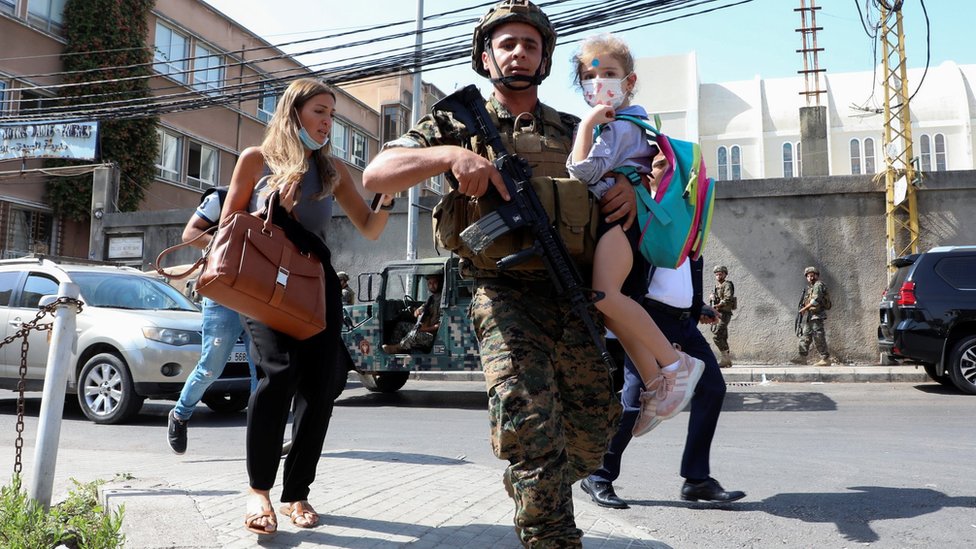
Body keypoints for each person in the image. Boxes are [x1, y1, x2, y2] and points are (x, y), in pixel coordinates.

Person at [363, 2, 633, 546]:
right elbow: (378, 171)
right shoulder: (453, 122)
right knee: (530, 425)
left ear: (545, 57)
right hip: (503, 293)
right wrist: (449, 158)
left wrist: (626, 187)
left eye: (530, 45)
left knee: (595, 425)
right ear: (486, 57)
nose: (518, 53)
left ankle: (535, 481)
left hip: (572, 292)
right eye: (506, 44)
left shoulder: (573, 128)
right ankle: (550, 532)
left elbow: (617, 187)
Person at [222, 77, 392, 536]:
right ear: (294, 111)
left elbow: (370, 227)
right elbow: (228, 225)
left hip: (314, 285)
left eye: (332, 114)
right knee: (278, 376)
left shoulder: (332, 169)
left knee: (321, 389)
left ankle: (297, 492)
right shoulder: (257, 160)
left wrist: (390, 193)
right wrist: (271, 209)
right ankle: (259, 490)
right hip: (263, 285)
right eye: (320, 111)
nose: (327, 122)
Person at [581, 150, 745, 509]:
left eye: (671, 165)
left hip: (684, 321)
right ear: (645, 173)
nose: (666, 170)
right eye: (657, 164)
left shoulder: (688, 217)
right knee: (635, 400)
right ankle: (599, 476)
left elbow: (681, 273)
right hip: (649, 319)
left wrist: (697, 305)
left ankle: (696, 480)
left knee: (713, 388)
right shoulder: (639, 212)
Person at [566, 33, 704, 436]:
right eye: (590, 77)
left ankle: (676, 365)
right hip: (622, 224)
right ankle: (656, 382)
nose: (599, 83)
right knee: (610, 305)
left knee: (606, 296)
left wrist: (587, 126)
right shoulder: (625, 122)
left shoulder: (621, 123)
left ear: (629, 81)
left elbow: (584, 173)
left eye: (609, 73)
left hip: (620, 224)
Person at [166, 187, 259, 455]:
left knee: (260, 372)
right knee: (211, 367)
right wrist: (228, 246)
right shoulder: (220, 197)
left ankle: (259, 436)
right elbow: (190, 233)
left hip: (256, 295)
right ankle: (180, 415)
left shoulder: (274, 197)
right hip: (222, 295)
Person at [382, 273, 443, 354]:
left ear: (440, 283)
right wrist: (418, 311)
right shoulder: (431, 299)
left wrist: (424, 329)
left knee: (414, 334)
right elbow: (417, 313)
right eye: (429, 283)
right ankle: (395, 350)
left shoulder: (442, 300)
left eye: (435, 283)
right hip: (424, 330)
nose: (432, 286)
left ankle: (398, 348)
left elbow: (442, 324)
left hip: (434, 336)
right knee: (400, 326)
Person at [794, 266, 832, 366]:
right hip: (811, 316)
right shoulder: (811, 287)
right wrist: (804, 307)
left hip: (817, 316)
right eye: (808, 276)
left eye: (812, 275)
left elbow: (815, 301)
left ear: (816, 276)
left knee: (818, 336)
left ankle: (825, 358)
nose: (810, 278)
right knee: (805, 336)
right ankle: (802, 358)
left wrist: (804, 309)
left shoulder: (818, 285)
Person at [709, 265, 736, 368]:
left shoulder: (727, 284)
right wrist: (712, 297)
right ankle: (727, 360)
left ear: (725, 274)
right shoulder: (717, 286)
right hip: (719, 313)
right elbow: (717, 298)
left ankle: (725, 359)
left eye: (720, 274)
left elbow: (728, 298)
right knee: (723, 336)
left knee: (717, 336)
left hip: (724, 314)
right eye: (717, 274)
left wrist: (717, 305)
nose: (718, 276)